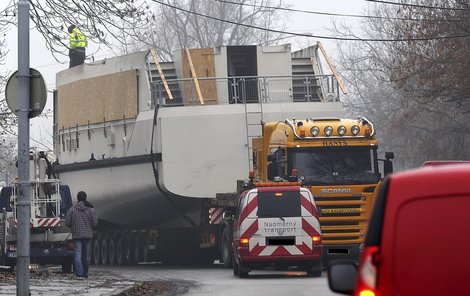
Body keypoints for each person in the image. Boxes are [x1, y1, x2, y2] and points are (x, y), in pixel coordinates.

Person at [65, 191, 98, 279]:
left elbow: (67, 222)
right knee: (86, 256)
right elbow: (95, 223)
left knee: (77, 255)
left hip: (76, 235)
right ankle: (85, 273)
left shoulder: (72, 210)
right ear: (85, 198)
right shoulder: (91, 210)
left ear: (77, 198)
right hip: (87, 235)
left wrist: (73, 226)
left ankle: (79, 273)